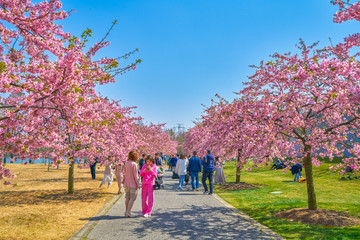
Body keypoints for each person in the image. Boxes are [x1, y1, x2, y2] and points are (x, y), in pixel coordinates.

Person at [123, 150, 140, 218]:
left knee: (127, 197)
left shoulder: (126, 163)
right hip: (133, 183)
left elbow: (124, 172)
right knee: (132, 198)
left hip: (126, 183)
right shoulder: (134, 164)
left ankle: (126, 211)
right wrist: (138, 184)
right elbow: (136, 176)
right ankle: (128, 212)